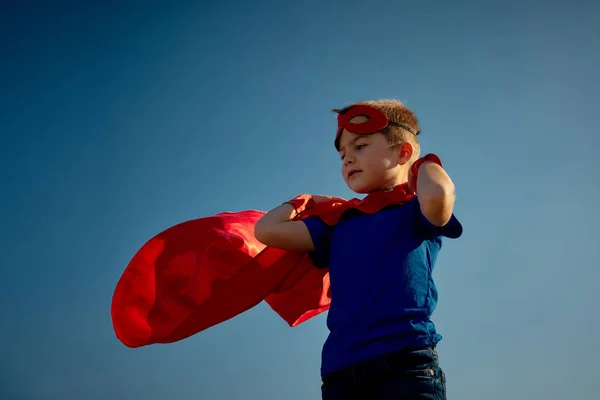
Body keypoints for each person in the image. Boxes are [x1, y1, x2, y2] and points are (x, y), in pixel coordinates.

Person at [254, 99, 463, 400]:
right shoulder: (340, 222)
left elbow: (441, 194)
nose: (347, 160)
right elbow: (267, 231)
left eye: (360, 147)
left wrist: (425, 163)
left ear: (402, 153)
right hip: (341, 373)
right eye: (342, 155)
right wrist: (305, 202)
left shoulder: (411, 210)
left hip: (405, 362)